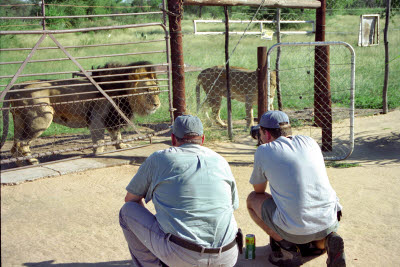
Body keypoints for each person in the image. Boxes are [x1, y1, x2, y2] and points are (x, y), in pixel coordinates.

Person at [119, 115, 240, 267]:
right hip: (227, 256)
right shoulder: (220, 160)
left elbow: (131, 200)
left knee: (127, 211)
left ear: (173, 139)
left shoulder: (159, 158)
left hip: (183, 256)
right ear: (202, 139)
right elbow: (233, 206)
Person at [246, 111, 346, 267]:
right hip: (330, 219)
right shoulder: (309, 141)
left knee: (252, 199)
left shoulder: (264, 151)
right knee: (314, 230)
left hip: (296, 229)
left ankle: (288, 248)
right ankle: (327, 240)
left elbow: (259, 190)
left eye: (260, 132)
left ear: (266, 133)